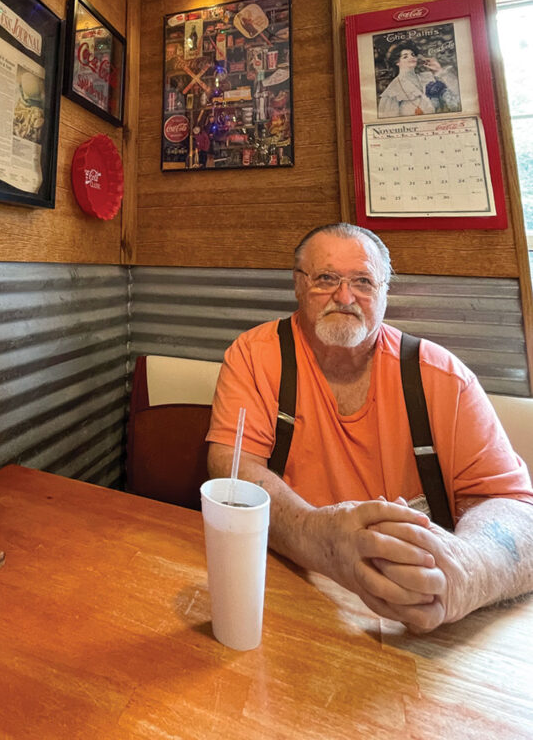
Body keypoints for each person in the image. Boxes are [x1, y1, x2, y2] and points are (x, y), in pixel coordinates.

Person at [206, 223, 533, 632]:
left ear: (384, 292)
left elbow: (517, 509)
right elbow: (232, 468)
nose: (345, 297)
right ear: (298, 285)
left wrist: (465, 572)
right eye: (326, 278)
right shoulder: (254, 357)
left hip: (420, 620)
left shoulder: (442, 377)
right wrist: (320, 539)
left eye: (363, 281)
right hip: (287, 594)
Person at [377, 43, 460, 118]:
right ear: (397, 62)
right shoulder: (393, 91)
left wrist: (439, 70)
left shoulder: (427, 77)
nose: (411, 57)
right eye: (405, 56)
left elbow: (456, 99)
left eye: (413, 54)